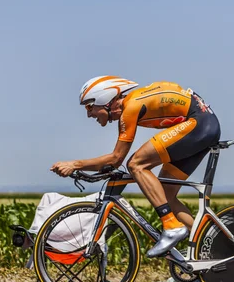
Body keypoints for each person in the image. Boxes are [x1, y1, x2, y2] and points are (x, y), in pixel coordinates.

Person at [51, 76, 221, 258]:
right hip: (203, 125)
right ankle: (210, 252)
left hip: (198, 125)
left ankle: (171, 226)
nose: (89, 114)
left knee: (136, 164)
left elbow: (116, 159)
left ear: (104, 99)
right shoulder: (134, 103)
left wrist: (75, 165)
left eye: (89, 106)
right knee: (165, 195)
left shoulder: (130, 108)